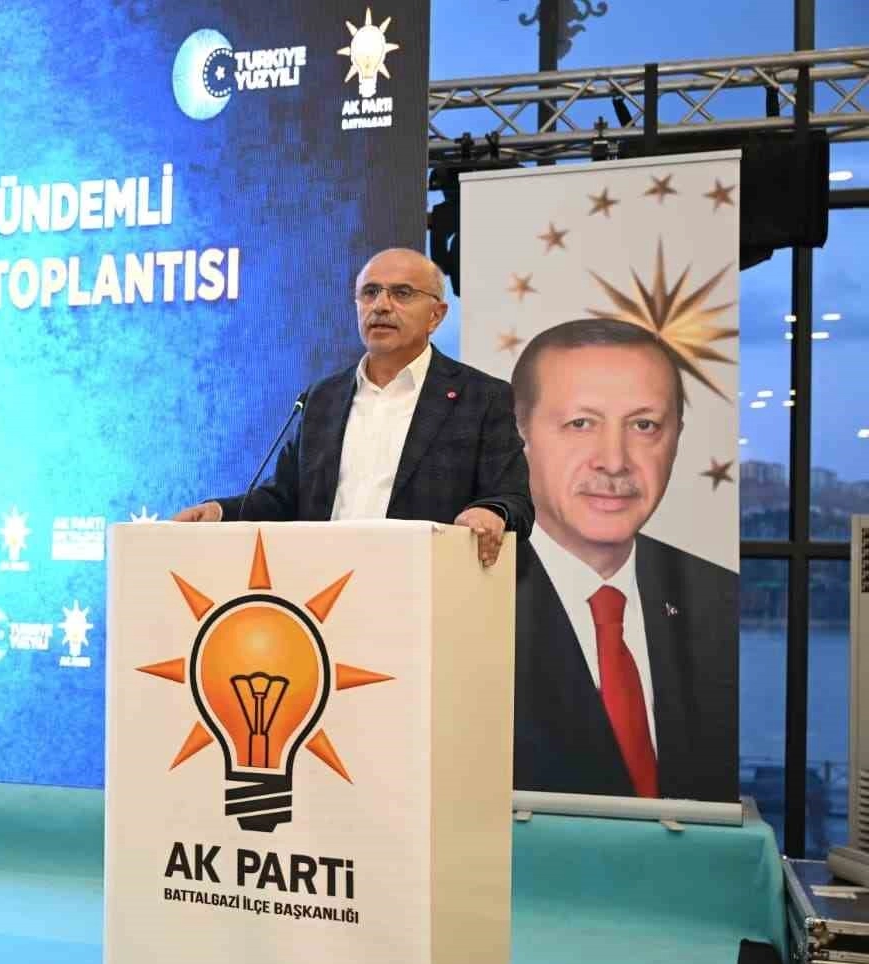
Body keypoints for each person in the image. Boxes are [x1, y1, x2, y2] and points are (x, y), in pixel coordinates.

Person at [171, 248, 532, 567]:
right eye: (370, 292)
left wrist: (491, 511)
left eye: (402, 293)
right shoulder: (322, 398)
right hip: (323, 590)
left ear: (436, 316)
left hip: (421, 588)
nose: (381, 305)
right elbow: (282, 499)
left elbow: (514, 499)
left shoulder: (480, 397)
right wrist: (219, 512)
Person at [510, 318, 736, 802]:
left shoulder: (721, 600)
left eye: (644, 425)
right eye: (580, 424)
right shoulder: (461, 600)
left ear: (676, 439)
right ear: (519, 434)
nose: (614, 461)